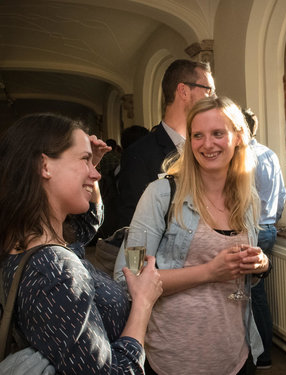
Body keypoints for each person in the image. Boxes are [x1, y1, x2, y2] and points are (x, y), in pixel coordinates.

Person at [114, 96, 270, 375]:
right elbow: (129, 276)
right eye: (197, 135)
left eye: (218, 134)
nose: (207, 144)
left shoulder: (247, 198)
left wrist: (259, 266)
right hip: (174, 360)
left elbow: (239, 275)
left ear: (237, 137)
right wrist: (210, 271)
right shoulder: (162, 195)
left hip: (236, 356)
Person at [0, 113, 163, 374]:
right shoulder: (53, 268)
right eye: (84, 160)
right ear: (45, 166)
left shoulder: (29, 243)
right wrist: (143, 302)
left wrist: (87, 171)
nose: (97, 174)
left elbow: (87, 224)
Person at [117, 59, 215, 228]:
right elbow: (136, 225)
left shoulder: (209, 148)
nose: (214, 98)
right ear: (183, 91)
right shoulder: (139, 155)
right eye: (209, 90)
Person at [242, 108, 286, 370]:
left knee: (250, 294)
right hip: (269, 227)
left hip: (252, 229)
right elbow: (281, 193)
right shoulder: (270, 153)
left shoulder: (244, 157)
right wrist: (273, 219)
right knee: (257, 293)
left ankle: (260, 355)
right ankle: (263, 353)